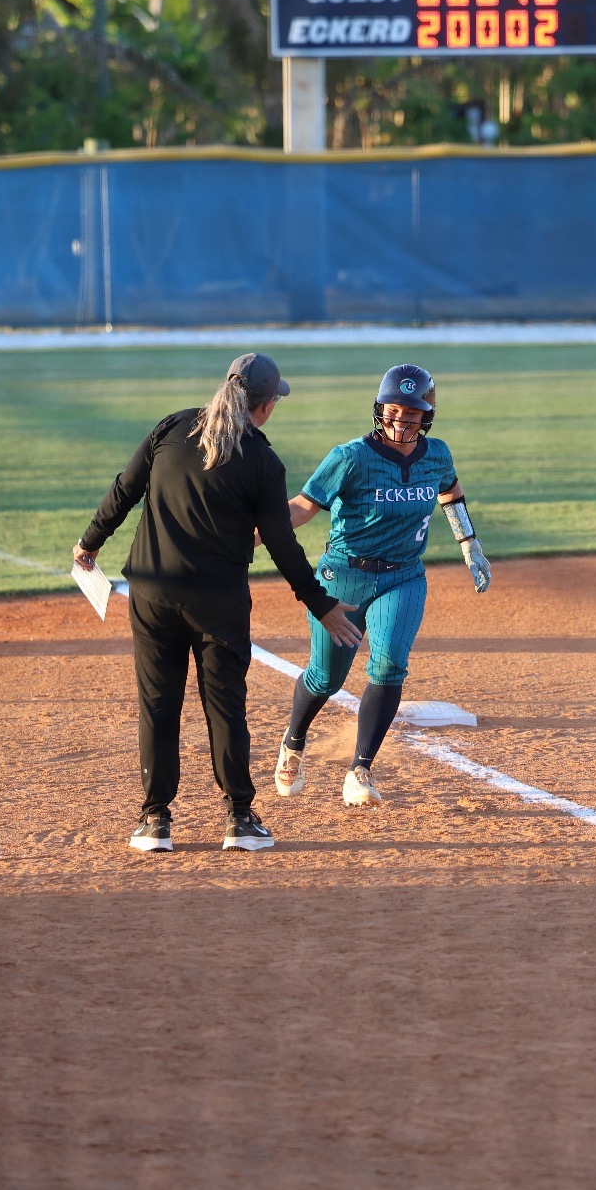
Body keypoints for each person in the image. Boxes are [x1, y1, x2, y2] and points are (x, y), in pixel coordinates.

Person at [74, 353, 360, 854]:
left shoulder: (173, 427)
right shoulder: (263, 460)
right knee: (225, 708)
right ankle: (239, 819)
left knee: (158, 706)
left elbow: (125, 489)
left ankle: (155, 821)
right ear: (266, 406)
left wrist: (90, 542)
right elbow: (281, 544)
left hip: (153, 593)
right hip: (219, 604)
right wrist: (322, 605)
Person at [273, 364, 492, 807]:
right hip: (345, 576)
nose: (400, 420)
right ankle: (293, 742)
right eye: (393, 410)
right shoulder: (350, 456)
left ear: (427, 415)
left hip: (403, 576)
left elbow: (452, 493)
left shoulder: (437, 455)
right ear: (379, 409)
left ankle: (360, 769)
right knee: (326, 678)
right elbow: (302, 506)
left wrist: (470, 543)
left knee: (390, 665)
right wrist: (257, 532)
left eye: (411, 413)